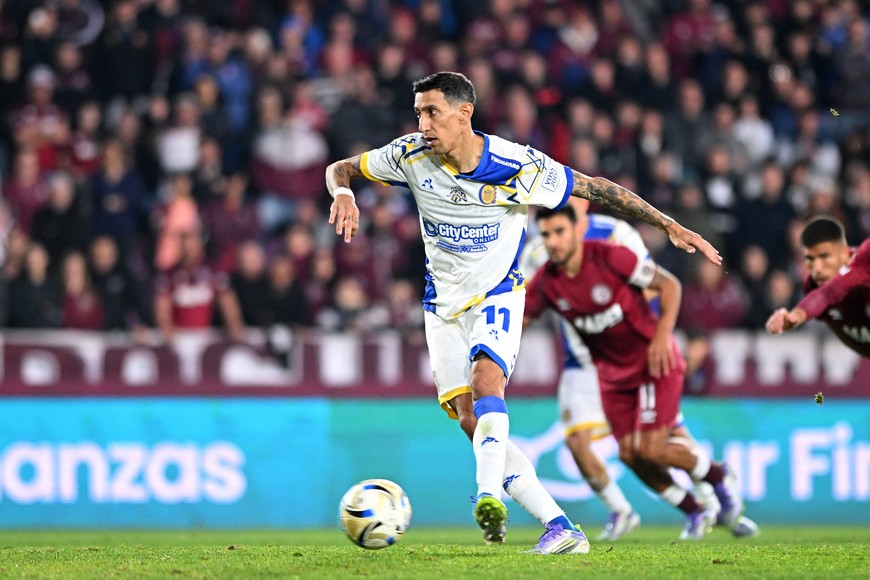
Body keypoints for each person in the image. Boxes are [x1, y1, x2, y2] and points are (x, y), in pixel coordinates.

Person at [325, 71, 720, 554]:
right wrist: (342, 192)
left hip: (499, 292)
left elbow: (595, 188)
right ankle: (561, 527)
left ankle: (488, 495)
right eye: (419, 113)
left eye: (433, 112)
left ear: (464, 113)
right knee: (469, 418)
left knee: (487, 382)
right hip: (441, 305)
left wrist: (670, 225)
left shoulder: (517, 165)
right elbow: (340, 168)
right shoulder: (409, 155)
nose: (423, 123)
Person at [522, 201, 758, 540]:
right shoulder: (543, 270)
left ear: (579, 217)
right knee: (630, 453)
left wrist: (661, 334)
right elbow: (522, 317)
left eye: (559, 230)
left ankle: (717, 479)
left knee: (655, 444)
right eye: (547, 234)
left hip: (648, 360)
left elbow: (663, 285)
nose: (553, 241)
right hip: (603, 369)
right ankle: (690, 508)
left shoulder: (614, 244)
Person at [765, 216, 870, 358]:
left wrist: (798, 315)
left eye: (824, 256)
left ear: (844, 253)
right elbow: (826, 297)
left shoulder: (864, 261)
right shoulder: (813, 285)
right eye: (810, 259)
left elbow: (828, 294)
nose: (817, 268)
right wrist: (795, 317)